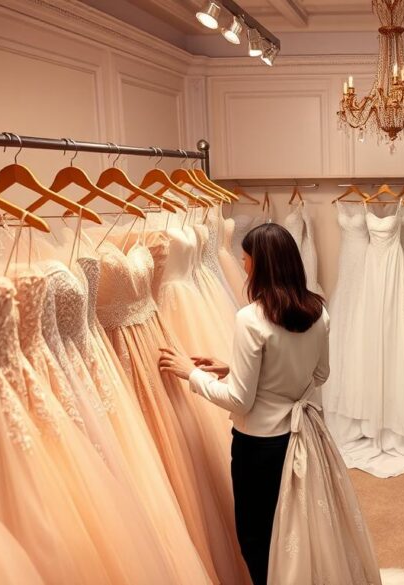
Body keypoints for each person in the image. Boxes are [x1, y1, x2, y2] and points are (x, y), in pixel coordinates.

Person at [159, 222, 381, 585]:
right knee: (298, 533)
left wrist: (192, 375)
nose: (243, 266)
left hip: (258, 447)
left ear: (261, 264)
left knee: (256, 540)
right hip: (303, 436)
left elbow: (240, 402)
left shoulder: (251, 319)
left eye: (246, 259)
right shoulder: (318, 312)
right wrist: (235, 369)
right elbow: (319, 374)